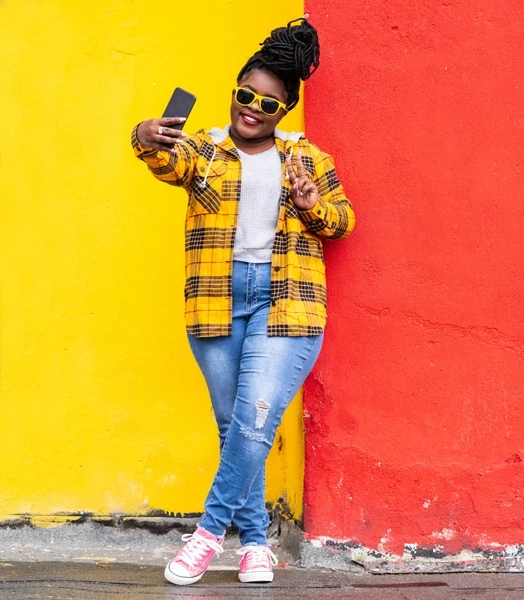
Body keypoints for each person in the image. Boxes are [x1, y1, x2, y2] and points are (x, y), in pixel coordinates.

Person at [131, 17, 355, 586]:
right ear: (234, 92)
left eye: (268, 103)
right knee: (236, 428)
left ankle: (207, 536)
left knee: (254, 423)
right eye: (245, 95)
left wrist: (310, 203)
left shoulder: (309, 160)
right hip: (216, 300)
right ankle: (256, 545)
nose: (253, 108)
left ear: (285, 111)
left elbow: (341, 222)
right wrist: (145, 133)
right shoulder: (201, 150)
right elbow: (162, 160)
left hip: (287, 302)